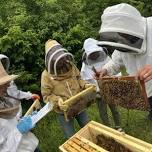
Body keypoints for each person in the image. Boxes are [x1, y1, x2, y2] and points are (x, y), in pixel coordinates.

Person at [97, 3, 152, 120]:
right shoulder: (122, 40)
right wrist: (106, 69)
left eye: (123, 35)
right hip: (143, 88)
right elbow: (116, 60)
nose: (120, 38)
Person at [41, 39, 93, 138]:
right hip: (63, 111)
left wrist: (85, 85)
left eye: (60, 57)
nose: (61, 61)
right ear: (50, 59)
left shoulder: (70, 65)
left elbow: (79, 78)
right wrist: (58, 101)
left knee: (88, 127)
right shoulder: (46, 75)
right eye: (57, 59)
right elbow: (46, 96)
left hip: (79, 104)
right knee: (70, 136)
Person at [81, 38, 121, 130]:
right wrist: (96, 91)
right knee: (103, 112)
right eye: (92, 53)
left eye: (95, 52)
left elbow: (115, 69)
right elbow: (86, 82)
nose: (94, 55)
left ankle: (119, 126)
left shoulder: (105, 58)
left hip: (109, 89)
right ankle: (108, 129)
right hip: (99, 94)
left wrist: (113, 82)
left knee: (115, 109)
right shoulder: (85, 67)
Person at [0, 61, 39, 152]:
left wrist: (24, 121)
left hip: (30, 145)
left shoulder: (2, 100)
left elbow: (9, 125)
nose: (8, 85)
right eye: (2, 84)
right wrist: (19, 130)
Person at [0, 54, 40, 119]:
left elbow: (16, 93)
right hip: (9, 120)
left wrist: (30, 95)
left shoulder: (7, 81)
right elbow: (16, 94)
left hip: (15, 115)